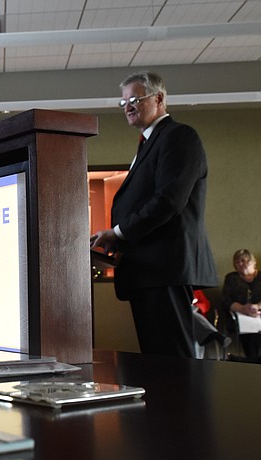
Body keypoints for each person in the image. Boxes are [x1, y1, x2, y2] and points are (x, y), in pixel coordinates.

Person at [90, 71, 218, 358]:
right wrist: (116, 240)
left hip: (165, 268)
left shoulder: (178, 136)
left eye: (135, 99)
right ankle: (168, 405)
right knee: (159, 361)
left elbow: (168, 200)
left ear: (159, 98)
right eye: (123, 102)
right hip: (148, 270)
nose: (128, 107)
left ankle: (182, 406)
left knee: (173, 362)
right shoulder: (149, 142)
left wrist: (119, 233)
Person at [221, 249, 261, 358]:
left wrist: (257, 307)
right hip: (238, 316)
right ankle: (253, 362)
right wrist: (243, 309)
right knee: (251, 332)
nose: (240, 264)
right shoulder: (231, 278)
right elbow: (226, 300)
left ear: (253, 262)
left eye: (243, 260)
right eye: (237, 262)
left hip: (259, 314)